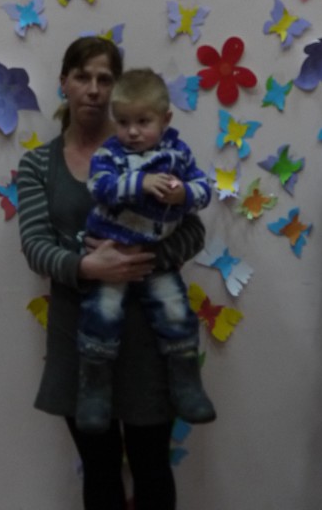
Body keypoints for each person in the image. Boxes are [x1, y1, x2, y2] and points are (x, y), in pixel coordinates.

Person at [17, 38, 206, 510]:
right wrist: (87, 266)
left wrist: (142, 260)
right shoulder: (38, 164)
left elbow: (194, 231)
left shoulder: (156, 154)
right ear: (64, 83)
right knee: (99, 471)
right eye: (82, 77)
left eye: (105, 79)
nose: (94, 89)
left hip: (147, 338)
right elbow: (35, 246)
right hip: (79, 340)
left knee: (152, 466)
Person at [76, 68, 215, 433]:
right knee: (102, 313)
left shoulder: (178, 154)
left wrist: (184, 194)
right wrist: (140, 182)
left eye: (143, 122)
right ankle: (94, 387)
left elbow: (204, 189)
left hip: (156, 258)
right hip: (111, 252)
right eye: (123, 122)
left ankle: (186, 383)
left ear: (165, 120)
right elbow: (100, 187)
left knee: (175, 310)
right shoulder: (110, 154)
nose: (132, 132)